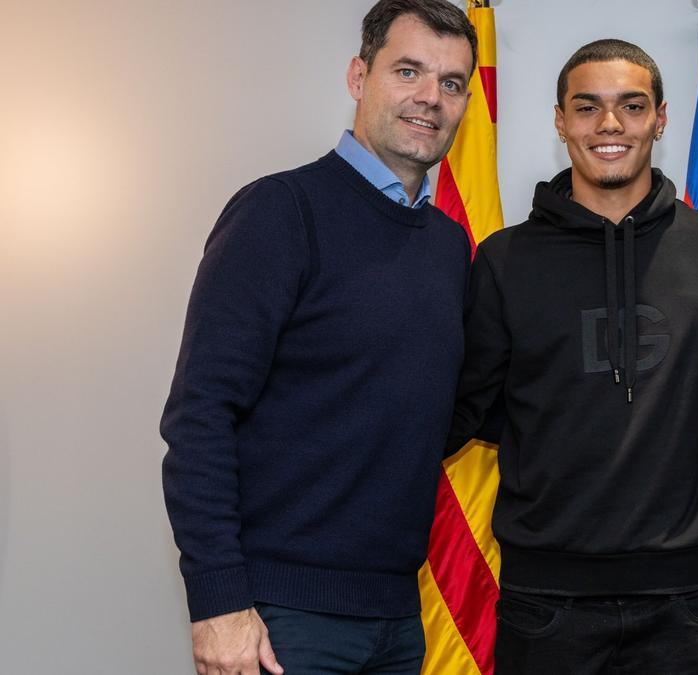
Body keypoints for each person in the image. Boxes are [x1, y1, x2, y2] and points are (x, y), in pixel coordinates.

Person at [160, 2, 476, 672]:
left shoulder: (449, 247)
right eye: (409, 70)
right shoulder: (280, 211)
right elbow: (201, 414)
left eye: (451, 83)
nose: (430, 97)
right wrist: (217, 603)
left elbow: (422, 413)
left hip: (397, 618)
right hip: (282, 621)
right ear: (359, 76)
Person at [448, 39, 698, 675]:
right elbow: (471, 407)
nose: (609, 125)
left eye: (631, 106)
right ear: (561, 121)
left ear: (660, 119)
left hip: (677, 598)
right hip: (544, 601)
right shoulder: (505, 259)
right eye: (587, 108)